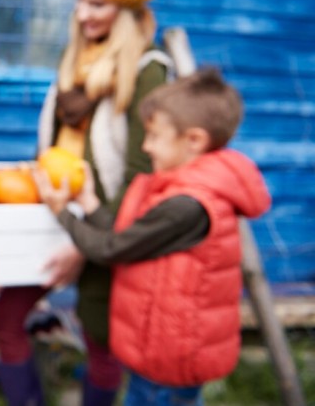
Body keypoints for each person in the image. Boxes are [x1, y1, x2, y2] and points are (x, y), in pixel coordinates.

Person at [0, 0, 173, 405]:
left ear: (128, 9)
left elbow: (141, 176)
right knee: (7, 318)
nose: (83, 14)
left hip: (105, 225)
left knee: (99, 340)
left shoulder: (148, 70)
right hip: (52, 215)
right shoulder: (75, 61)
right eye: (80, 1)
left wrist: (87, 244)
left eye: (98, 4)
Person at [35, 68, 271, 405]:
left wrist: (61, 212)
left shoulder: (187, 205)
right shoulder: (179, 189)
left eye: (154, 136)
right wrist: (88, 201)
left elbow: (110, 248)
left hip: (169, 363)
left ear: (194, 140)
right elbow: (130, 237)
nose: (145, 147)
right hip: (159, 356)